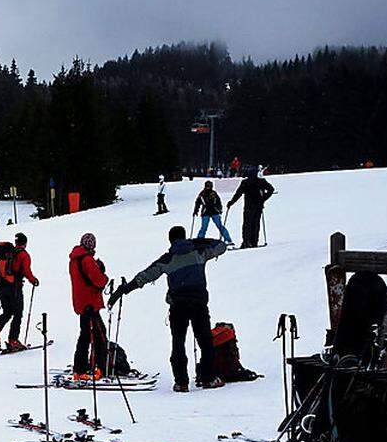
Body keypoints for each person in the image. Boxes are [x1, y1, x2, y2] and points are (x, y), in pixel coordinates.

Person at [109, 226, 228, 392]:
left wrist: (126, 288)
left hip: (178, 305)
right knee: (205, 341)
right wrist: (197, 241)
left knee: (178, 342)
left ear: (170, 240)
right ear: (185, 237)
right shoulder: (199, 252)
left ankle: (181, 382)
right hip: (199, 303)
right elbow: (221, 245)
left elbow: (147, 275)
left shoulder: (168, 259)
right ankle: (208, 378)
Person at [0, 232, 40, 351]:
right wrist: (33, 280)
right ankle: (13, 340)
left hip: (2, 286)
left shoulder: (7, 254)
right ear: (25, 243)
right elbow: (26, 271)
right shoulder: (23, 255)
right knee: (18, 313)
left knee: (7, 312)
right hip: (14, 288)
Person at [68, 233, 109, 380]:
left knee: (86, 334)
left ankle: (81, 368)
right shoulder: (87, 259)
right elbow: (98, 280)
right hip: (90, 303)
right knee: (97, 334)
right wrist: (103, 275)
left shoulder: (74, 259)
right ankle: (97, 367)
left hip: (81, 302)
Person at [228, 166, 275, 248]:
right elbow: (271, 189)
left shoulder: (245, 182)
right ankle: (254, 242)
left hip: (249, 207)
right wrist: (263, 198)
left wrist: (231, 202)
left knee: (247, 224)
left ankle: (246, 242)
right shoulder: (261, 181)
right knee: (256, 224)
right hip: (258, 206)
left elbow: (238, 194)